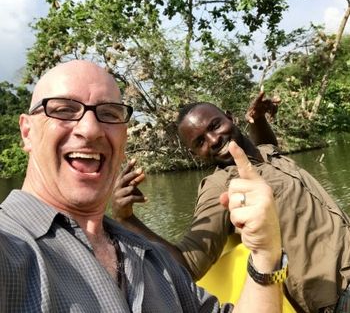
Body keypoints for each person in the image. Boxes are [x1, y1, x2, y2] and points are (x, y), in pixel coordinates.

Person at [0, 60, 286, 312]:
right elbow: (193, 259)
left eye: (110, 113)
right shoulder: (10, 245)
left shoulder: (153, 258)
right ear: (27, 132)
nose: (90, 129)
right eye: (64, 110)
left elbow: (266, 149)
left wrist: (265, 255)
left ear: (124, 138)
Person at [113, 100, 350, 313]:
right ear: (194, 153)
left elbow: (267, 147)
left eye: (215, 126)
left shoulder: (266, 153)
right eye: (200, 141)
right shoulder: (221, 186)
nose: (214, 140)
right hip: (337, 293)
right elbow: (189, 263)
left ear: (230, 117)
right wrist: (127, 220)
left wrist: (257, 120)